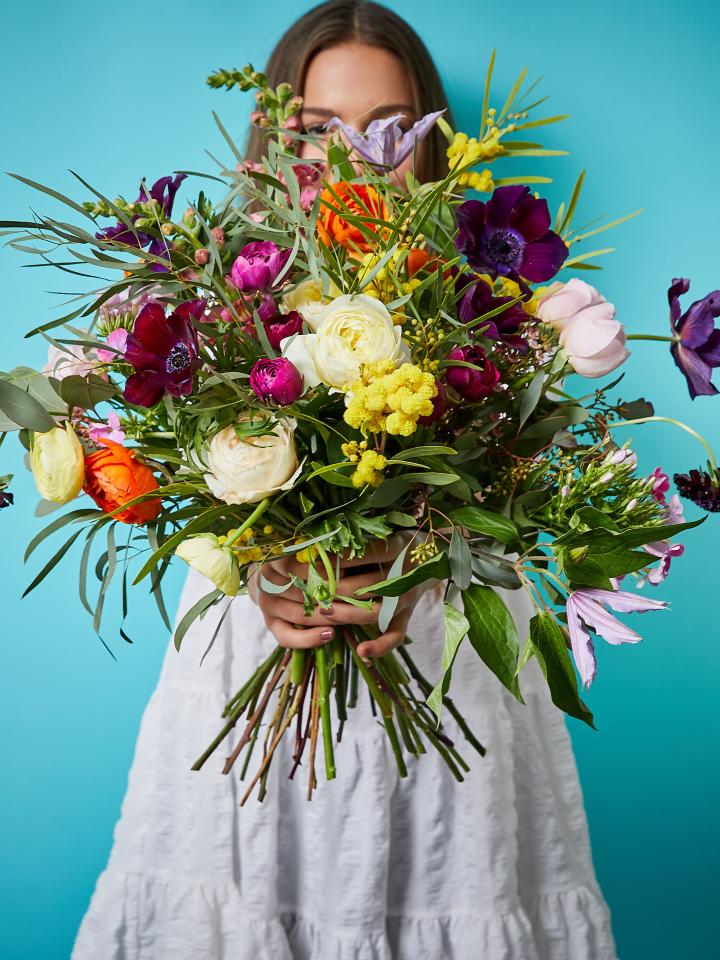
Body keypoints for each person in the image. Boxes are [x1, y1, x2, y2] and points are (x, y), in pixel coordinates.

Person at [71, 3, 620, 957]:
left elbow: (510, 493)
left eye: (391, 128)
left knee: (465, 881)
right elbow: (174, 463)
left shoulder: (496, 314)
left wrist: (421, 554)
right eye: (321, 130)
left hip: (450, 660)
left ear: (433, 144)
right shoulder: (215, 304)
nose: (360, 156)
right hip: (256, 655)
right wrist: (267, 570)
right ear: (274, 143)